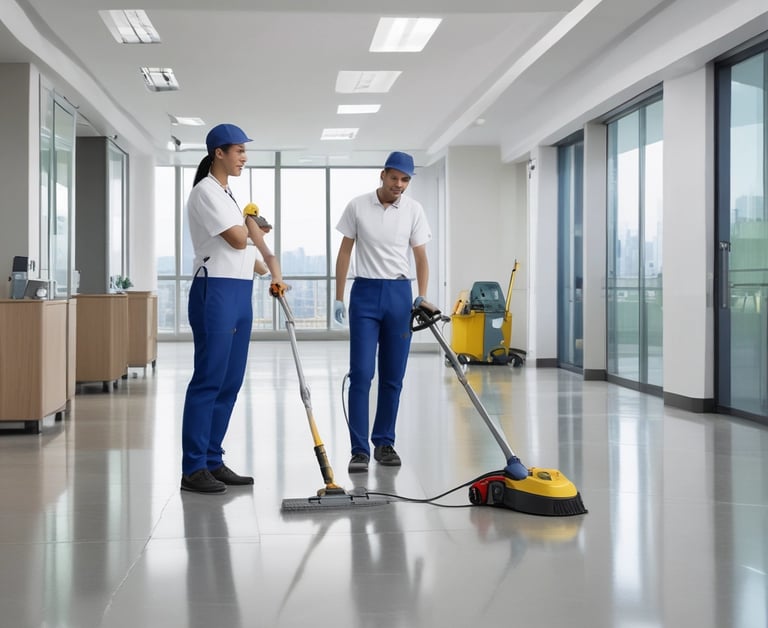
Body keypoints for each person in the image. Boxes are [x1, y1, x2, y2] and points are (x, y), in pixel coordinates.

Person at [181, 123, 287, 494]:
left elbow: (248, 253)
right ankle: (193, 468)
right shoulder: (205, 192)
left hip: (240, 293)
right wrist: (252, 226)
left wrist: (271, 273)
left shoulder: (227, 195)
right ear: (218, 153)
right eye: (238, 151)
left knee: (230, 381)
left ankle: (212, 459)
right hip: (215, 292)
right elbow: (238, 239)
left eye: (245, 151)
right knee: (209, 379)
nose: (244, 158)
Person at [334, 151, 431, 473]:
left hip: (399, 295)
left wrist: (422, 296)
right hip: (364, 294)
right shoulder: (358, 205)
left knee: (393, 377)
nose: (399, 185)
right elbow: (345, 252)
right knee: (361, 374)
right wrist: (338, 296)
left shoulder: (414, 210)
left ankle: (385, 442)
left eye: (405, 180)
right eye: (395, 178)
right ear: (383, 175)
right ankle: (359, 449)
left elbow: (420, 258)